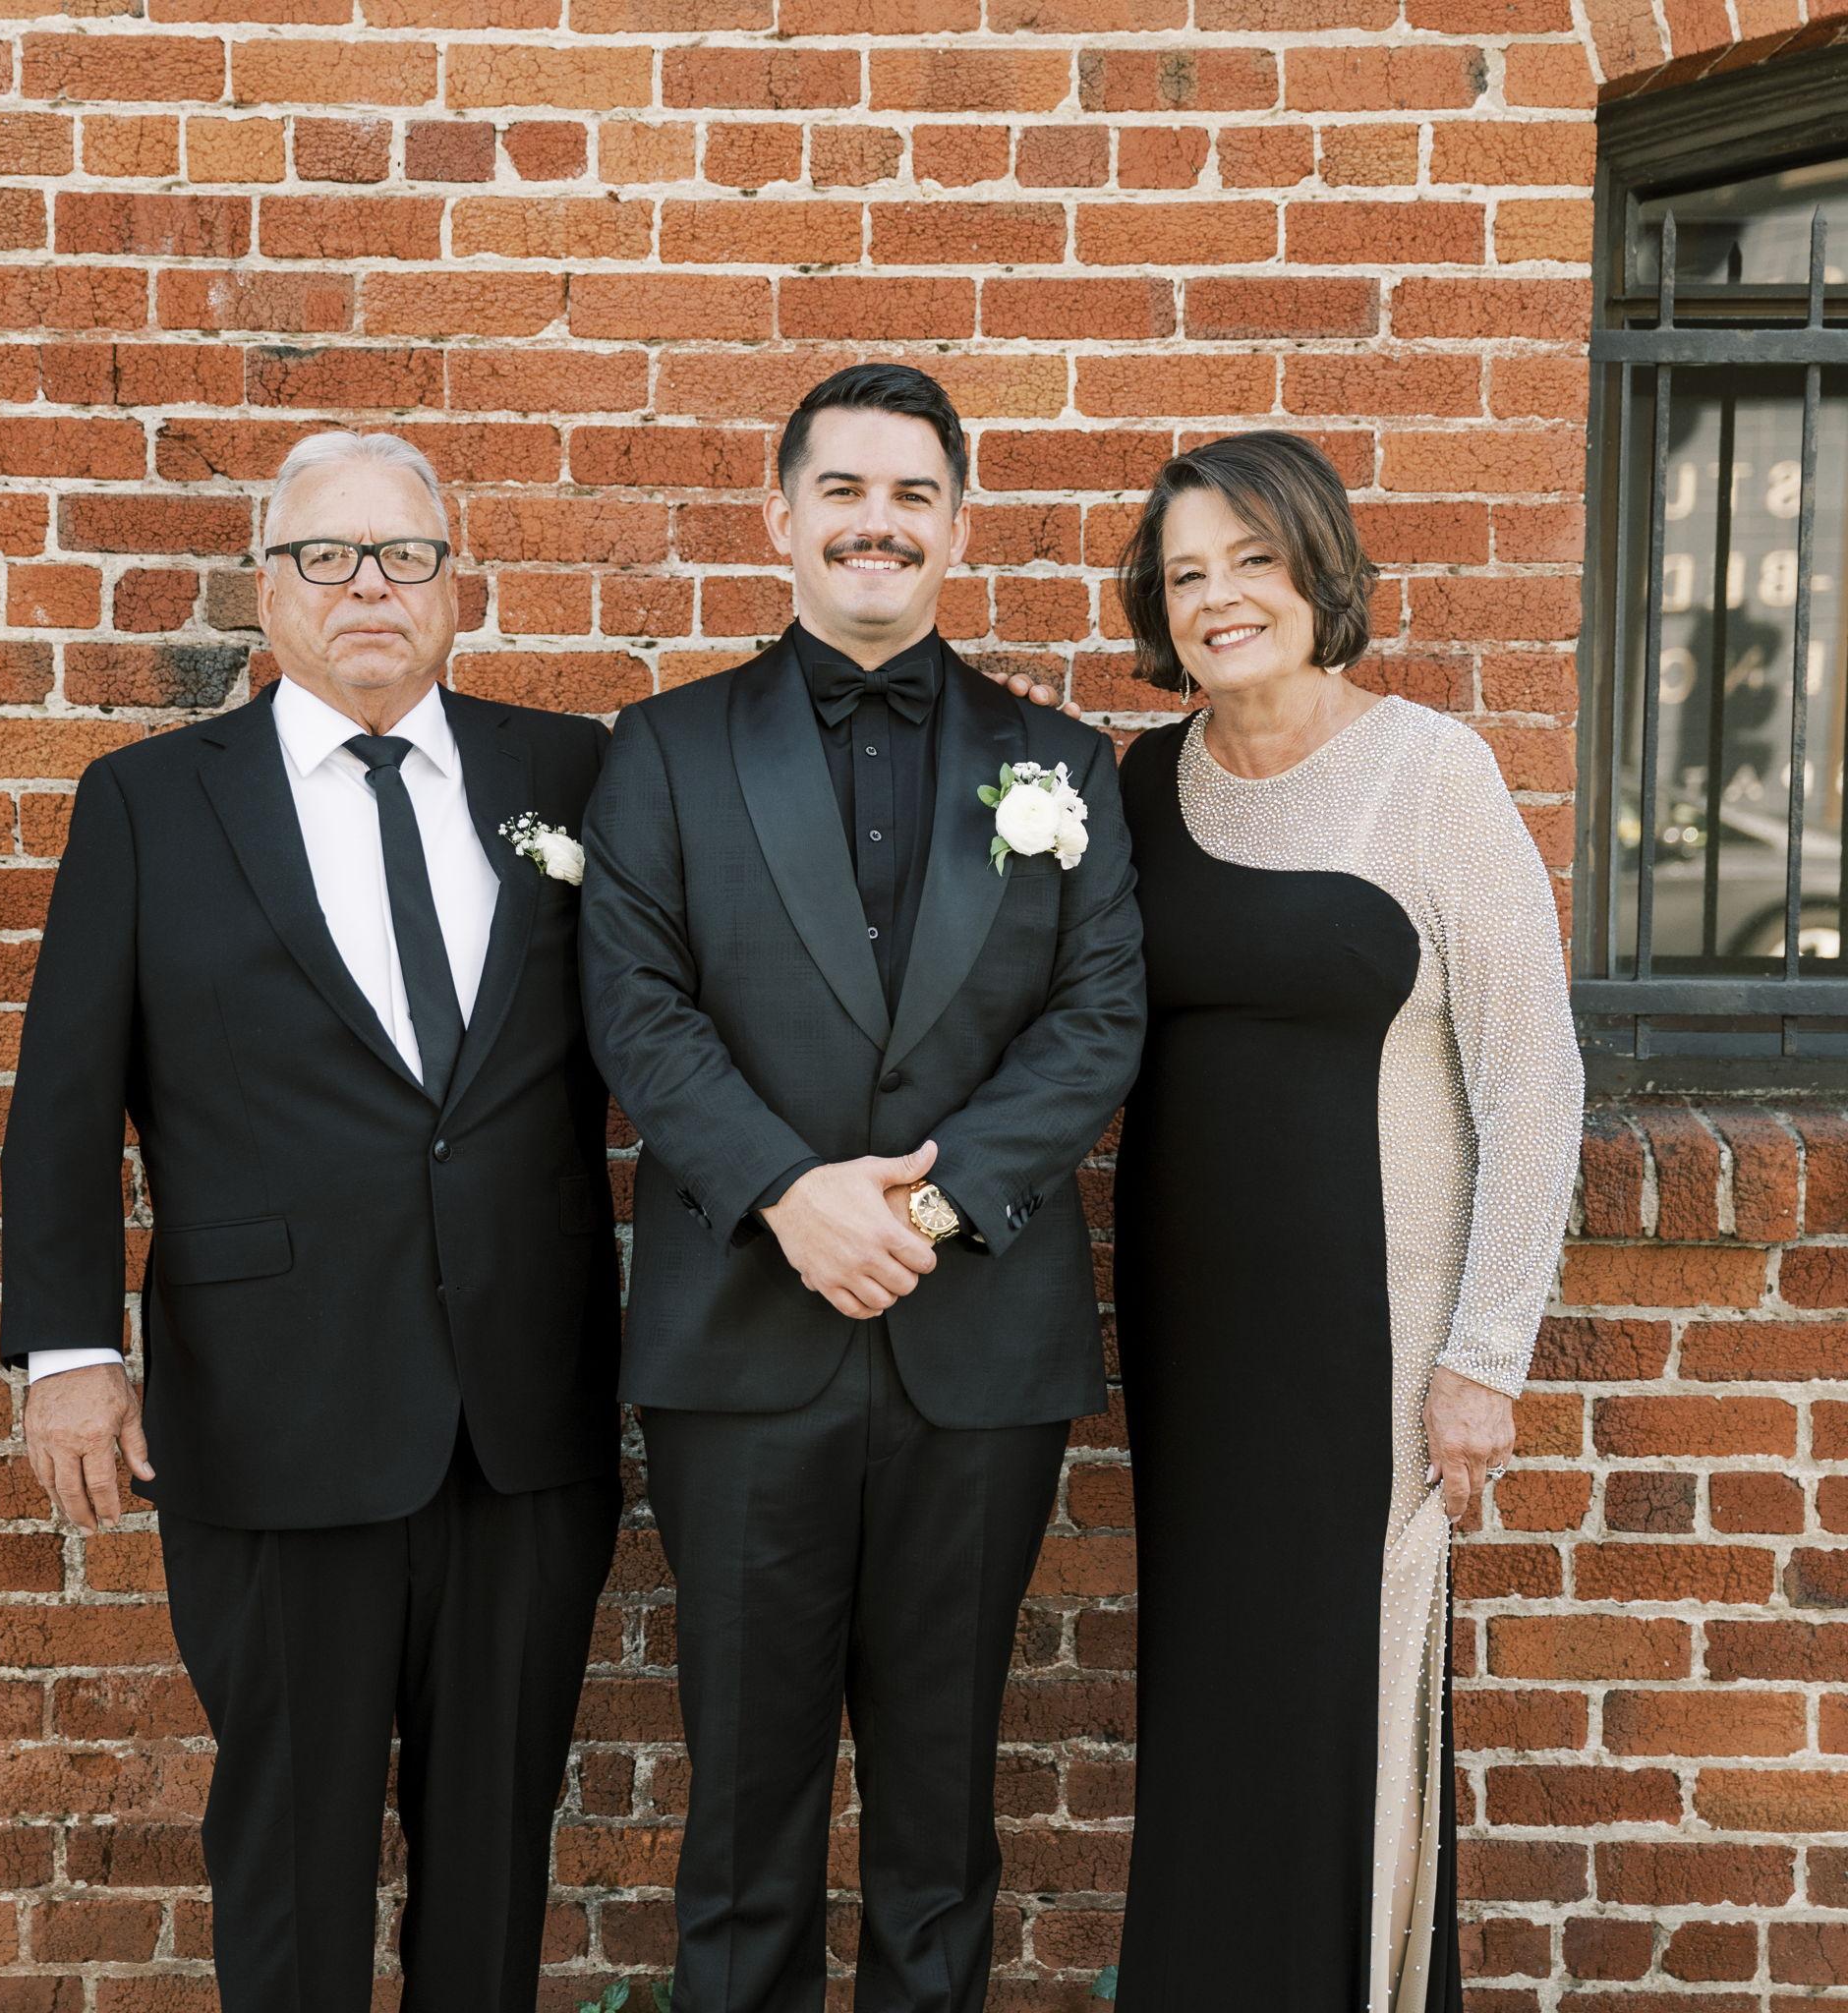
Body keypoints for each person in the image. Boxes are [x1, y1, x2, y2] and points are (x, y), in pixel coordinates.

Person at [0, 431, 620, 2012]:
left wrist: (977, 735)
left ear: (456, 585)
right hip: (270, 1408)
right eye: (325, 556)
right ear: (266, 588)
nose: (368, 587)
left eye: (404, 555)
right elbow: (65, 1093)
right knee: (289, 1854)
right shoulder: (150, 802)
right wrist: (68, 1352)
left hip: (521, 1419)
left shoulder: (572, 777)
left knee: (496, 1855)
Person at [578, 363, 1145, 2013]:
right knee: (743, 1818)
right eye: (842, 490)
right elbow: (637, 1005)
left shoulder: (1064, 762)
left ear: (958, 527)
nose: (876, 524)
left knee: (942, 1821)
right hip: (744, 1342)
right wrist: (788, 1194)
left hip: (979, 1348)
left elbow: (1098, 1019)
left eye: (912, 495)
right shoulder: (666, 750)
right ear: (781, 518)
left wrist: (928, 1208)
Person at [1109, 431, 1583, 2012]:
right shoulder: (1139, 787)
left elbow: (1535, 1079)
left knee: (1348, 1688)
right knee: (1213, 1688)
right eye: (1188, 574)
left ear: (1320, 569)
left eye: (1252, 560)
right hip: (1192, 1343)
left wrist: (1485, 1356)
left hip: (1373, 1346)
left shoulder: (1429, 773)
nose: (1221, 598)